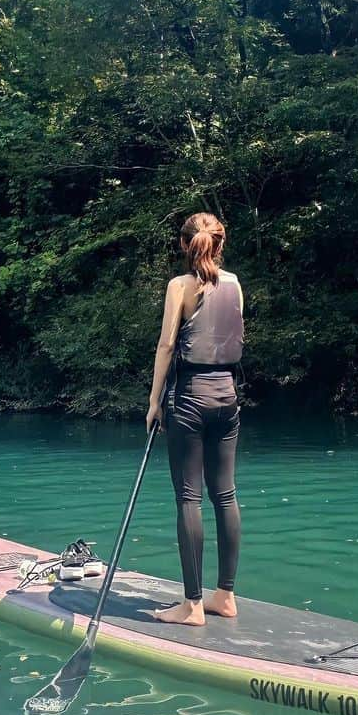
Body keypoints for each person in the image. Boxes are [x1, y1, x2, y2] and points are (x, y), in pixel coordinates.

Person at [146, 211, 244, 626]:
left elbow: (168, 345)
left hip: (189, 399)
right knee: (225, 495)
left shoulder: (179, 286)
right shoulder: (236, 284)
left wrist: (153, 403)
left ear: (185, 245)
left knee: (189, 497)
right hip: (228, 397)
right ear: (219, 245)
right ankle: (225, 596)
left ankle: (191, 605)